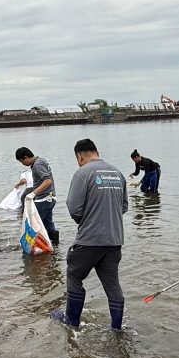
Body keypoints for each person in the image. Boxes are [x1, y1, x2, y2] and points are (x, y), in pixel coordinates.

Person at [56, 139, 128, 329]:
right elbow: (124, 206)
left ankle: (71, 322)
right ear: (96, 151)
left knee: (73, 275)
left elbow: (74, 208)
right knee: (112, 285)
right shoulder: (117, 173)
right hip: (114, 241)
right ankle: (117, 328)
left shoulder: (82, 173)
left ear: (79, 156)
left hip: (89, 240)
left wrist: (88, 220)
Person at [14, 147, 58, 243]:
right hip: (50, 198)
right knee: (48, 223)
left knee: (35, 224)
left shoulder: (37, 164)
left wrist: (33, 193)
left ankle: (34, 247)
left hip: (44, 199)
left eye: (22, 161)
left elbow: (47, 181)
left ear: (26, 157)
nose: (23, 164)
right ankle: (54, 245)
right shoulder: (41, 161)